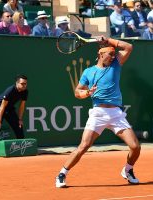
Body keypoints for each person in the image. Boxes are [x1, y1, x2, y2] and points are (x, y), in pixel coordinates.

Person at [55, 37, 141, 188]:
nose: (113, 57)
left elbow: (128, 47)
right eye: (110, 54)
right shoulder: (88, 72)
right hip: (98, 113)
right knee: (84, 146)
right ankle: (62, 173)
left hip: (116, 113)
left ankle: (128, 170)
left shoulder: (116, 64)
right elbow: (77, 92)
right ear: (101, 54)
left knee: (135, 147)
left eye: (114, 54)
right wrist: (88, 92)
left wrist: (108, 40)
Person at [0, 75, 28, 157]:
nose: (24, 85)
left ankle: (22, 147)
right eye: (22, 83)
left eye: (25, 84)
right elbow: (2, 106)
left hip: (9, 109)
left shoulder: (25, 91)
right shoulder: (10, 90)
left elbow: (22, 105)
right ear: (17, 83)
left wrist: (20, 119)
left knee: (18, 125)